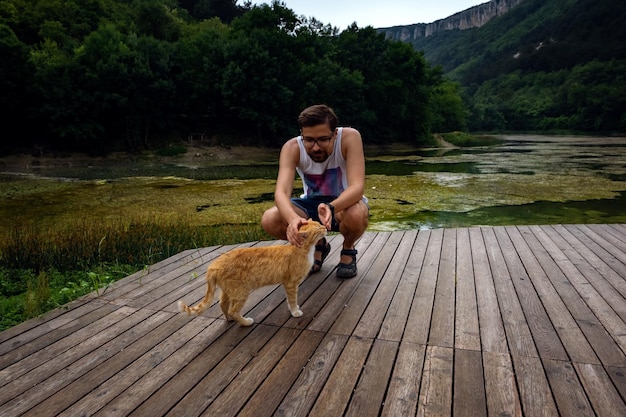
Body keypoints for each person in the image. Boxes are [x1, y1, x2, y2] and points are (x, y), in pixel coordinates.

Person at [261, 104, 369, 278]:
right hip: (310, 205)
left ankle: (348, 248)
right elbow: (281, 193)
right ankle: (318, 243)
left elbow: (357, 188)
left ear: (335, 134)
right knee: (270, 219)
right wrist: (293, 219)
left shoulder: (350, 137)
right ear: (302, 134)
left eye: (323, 139)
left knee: (356, 214)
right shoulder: (292, 148)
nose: (316, 147)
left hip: (343, 203)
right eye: (309, 140)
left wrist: (331, 207)